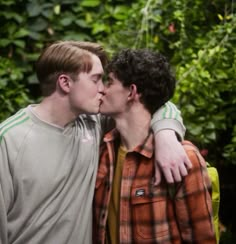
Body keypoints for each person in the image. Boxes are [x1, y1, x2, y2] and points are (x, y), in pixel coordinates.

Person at [0, 41, 189, 244]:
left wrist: (166, 133)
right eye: (96, 80)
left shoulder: (92, 123)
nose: (103, 89)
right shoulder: (9, 140)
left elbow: (152, 100)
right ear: (65, 83)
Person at [94, 49, 216, 243]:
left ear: (131, 92)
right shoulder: (104, 151)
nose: (102, 89)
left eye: (109, 82)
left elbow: (201, 238)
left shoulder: (184, 158)